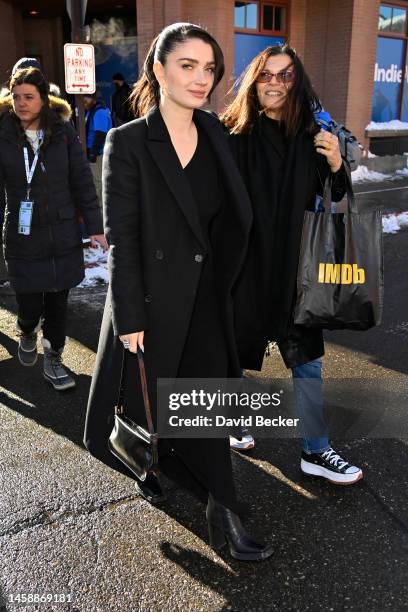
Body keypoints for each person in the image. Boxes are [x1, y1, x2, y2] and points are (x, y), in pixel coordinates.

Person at [84, 22, 273, 561]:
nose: (201, 78)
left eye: (209, 68)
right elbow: (122, 238)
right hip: (150, 303)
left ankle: (223, 509)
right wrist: (129, 318)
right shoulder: (128, 143)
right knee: (147, 404)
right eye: (187, 66)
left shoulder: (216, 133)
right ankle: (152, 462)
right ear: (159, 70)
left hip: (208, 300)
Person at [222, 45, 363, 485]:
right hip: (246, 266)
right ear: (254, 80)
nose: (276, 84)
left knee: (308, 360)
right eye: (267, 75)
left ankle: (315, 451)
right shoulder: (232, 135)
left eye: (285, 76)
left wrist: (338, 165)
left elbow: (337, 201)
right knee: (235, 352)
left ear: (297, 83)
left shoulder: (314, 137)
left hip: (298, 268)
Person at [0, 67, 107, 390]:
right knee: (30, 301)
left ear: (44, 100)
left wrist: (96, 227)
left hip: (62, 233)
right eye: (16, 97)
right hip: (22, 233)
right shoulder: (3, 133)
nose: (21, 103)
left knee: (58, 302)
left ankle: (54, 358)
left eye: (28, 97)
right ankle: (27, 328)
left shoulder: (62, 132)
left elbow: (82, 182)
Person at [83, 92, 112, 203]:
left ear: (93, 99)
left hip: (98, 154)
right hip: (94, 152)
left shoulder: (99, 112)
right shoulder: (92, 111)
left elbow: (100, 134)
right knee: (96, 181)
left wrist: (93, 154)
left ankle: (100, 210)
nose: (84, 103)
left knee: (98, 182)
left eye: (86, 100)